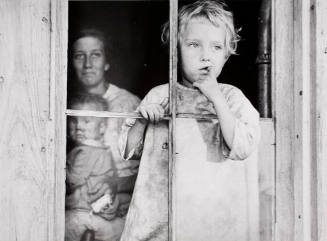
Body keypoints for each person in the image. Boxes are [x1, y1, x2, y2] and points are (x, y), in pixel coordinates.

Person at [119, 1, 261, 240]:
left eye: (216, 47)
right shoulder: (160, 95)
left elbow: (243, 147)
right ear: (176, 49)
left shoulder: (231, 98)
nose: (205, 56)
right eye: (194, 44)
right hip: (158, 216)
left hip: (207, 220)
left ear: (226, 55)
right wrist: (143, 120)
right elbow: (126, 150)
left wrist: (216, 98)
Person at [70, 28, 141, 203]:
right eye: (79, 55)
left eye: (95, 55)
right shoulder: (67, 105)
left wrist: (115, 185)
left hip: (122, 200)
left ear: (107, 62)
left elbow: (150, 167)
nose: (87, 64)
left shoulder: (128, 104)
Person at [65, 94, 130, 241]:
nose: (79, 126)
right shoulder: (103, 151)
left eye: (86, 121)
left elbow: (71, 181)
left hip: (81, 214)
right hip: (100, 213)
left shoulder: (84, 152)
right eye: (74, 120)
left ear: (102, 127)